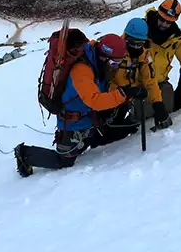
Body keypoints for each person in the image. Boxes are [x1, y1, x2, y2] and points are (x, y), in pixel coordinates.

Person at [14, 34, 133, 177]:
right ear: (103, 57)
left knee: (107, 136)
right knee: (64, 160)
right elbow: (94, 101)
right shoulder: (82, 69)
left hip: (89, 119)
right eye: (114, 63)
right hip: (73, 123)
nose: (116, 67)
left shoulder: (99, 64)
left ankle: (95, 137)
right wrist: (123, 94)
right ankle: (25, 154)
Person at [111, 18, 173, 131]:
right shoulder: (115, 52)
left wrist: (158, 103)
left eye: (140, 44)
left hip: (126, 100)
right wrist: (121, 92)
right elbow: (105, 79)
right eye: (133, 43)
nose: (136, 47)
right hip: (109, 99)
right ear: (126, 38)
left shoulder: (144, 55)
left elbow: (150, 80)